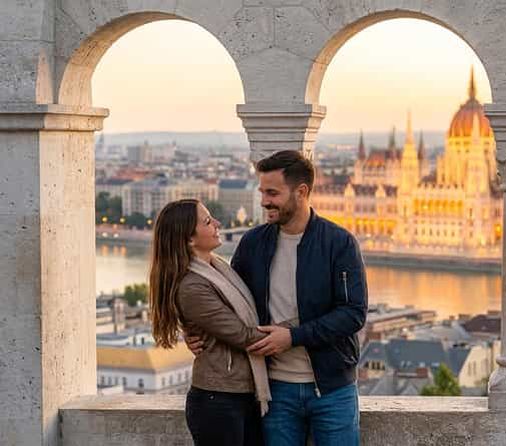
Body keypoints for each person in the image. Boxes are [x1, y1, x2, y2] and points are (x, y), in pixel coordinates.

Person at [233, 150, 368, 446]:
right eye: (262, 192)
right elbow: (230, 303)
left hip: (332, 388)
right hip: (274, 389)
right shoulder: (253, 244)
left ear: (301, 191)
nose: (264, 201)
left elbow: (353, 313)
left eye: (272, 193)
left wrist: (293, 337)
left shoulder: (339, 243)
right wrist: (195, 331)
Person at [149, 198, 270, 446]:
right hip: (219, 401)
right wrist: (299, 334)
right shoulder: (192, 286)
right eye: (207, 221)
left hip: (239, 395)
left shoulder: (218, 268)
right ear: (189, 239)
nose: (217, 223)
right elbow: (243, 335)